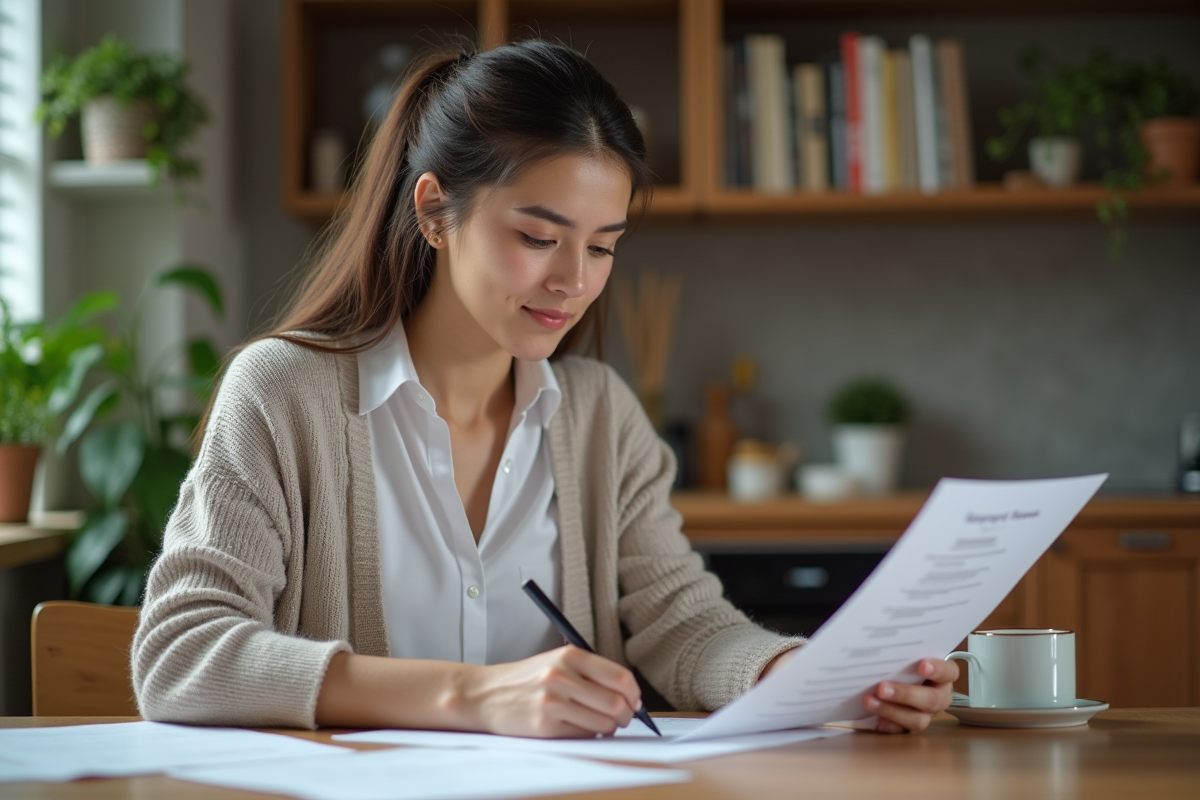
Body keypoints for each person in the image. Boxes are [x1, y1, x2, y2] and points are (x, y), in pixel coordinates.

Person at [131, 40, 957, 738]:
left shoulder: (599, 415)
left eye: (603, 247)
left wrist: (800, 673)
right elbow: (180, 653)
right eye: (537, 236)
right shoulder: (284, 394)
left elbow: (681, 625)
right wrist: (473, 695)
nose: (572, 281)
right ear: (433, 211)